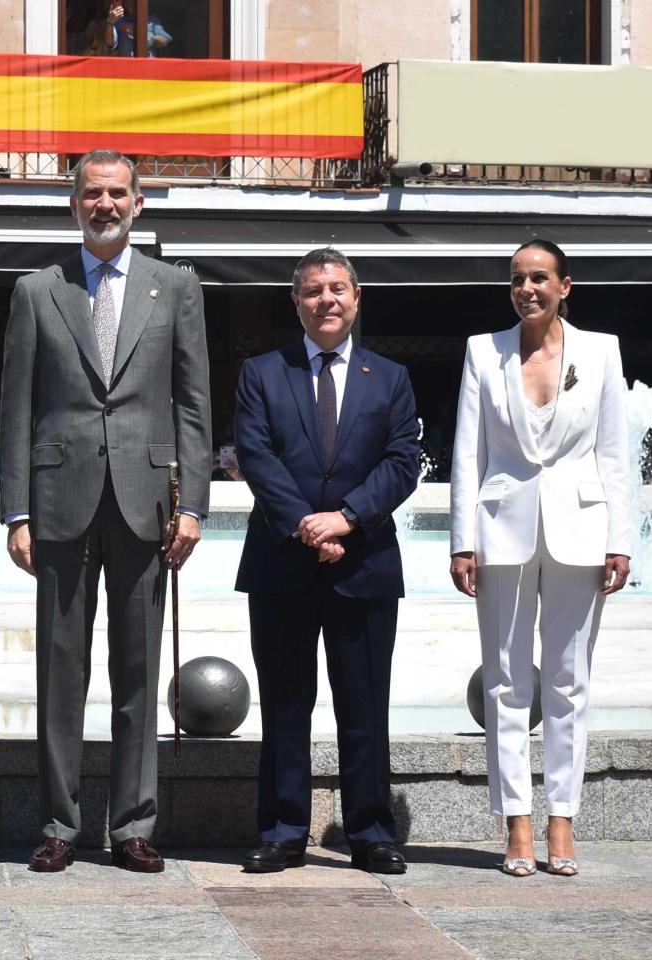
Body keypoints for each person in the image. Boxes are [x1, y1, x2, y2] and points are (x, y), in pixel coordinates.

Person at [0, 149, 211, 874]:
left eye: (118, 193)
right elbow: (17, 410)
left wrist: (195, 508)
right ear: (73, 204)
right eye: (92, 193)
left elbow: (192, 404)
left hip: (147, 503)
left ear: (139, 203)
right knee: (62, 669)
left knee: (139, 669)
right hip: (58, 502)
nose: (105, 204)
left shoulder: (175, 288)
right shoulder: (37, 290)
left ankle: (132, 826)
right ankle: (60, 823)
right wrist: (15, 513)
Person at [232, 248, 419, 875]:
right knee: (286, 703)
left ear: (357, 297)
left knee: (364, 705)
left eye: (337, 288)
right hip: (283, 563)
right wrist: (309, 527)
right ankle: (284, 830)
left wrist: (348, 518)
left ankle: (369, 830)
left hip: (364, 563)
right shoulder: (262, 373)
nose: (326, 300)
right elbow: (256, 458)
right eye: (313, 291)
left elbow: (401, 463)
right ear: (297, 302)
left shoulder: (389, 378)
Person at [449, 239, 633, 878]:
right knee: (504, 681)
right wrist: (461, 541)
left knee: (568, 681)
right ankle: (517, 824)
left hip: (582, 530)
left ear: (565, 285)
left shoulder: (601, 350)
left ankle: (562, 819)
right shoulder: (482, 350)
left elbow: (615, 452)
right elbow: (467, 452)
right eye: (517, 280)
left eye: (539, 278)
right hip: (501, 529)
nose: (527, 289)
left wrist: (621, 538)